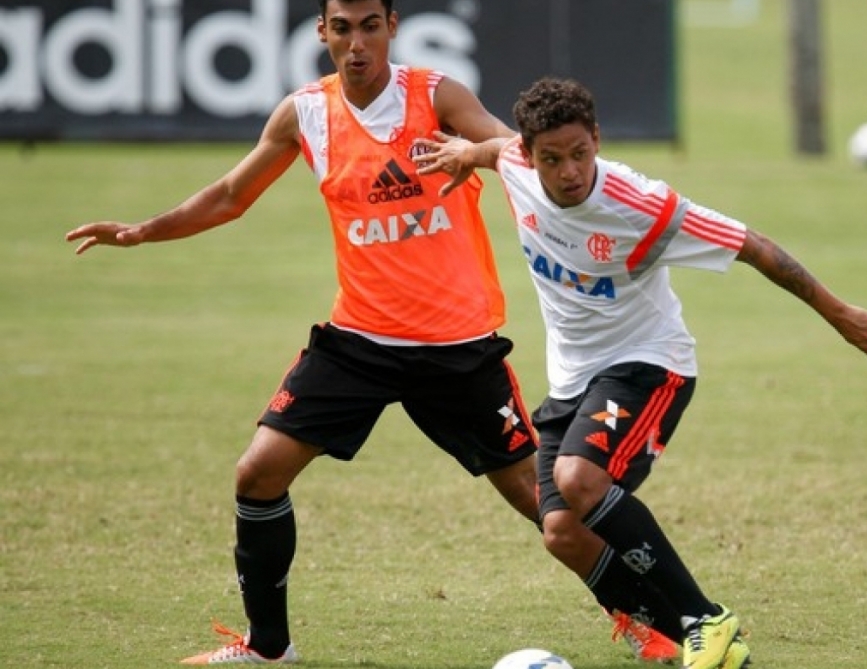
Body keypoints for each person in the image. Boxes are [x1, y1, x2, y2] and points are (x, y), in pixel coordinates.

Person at [65, 1, 676, 664]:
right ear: (322, 32)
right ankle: (268, 646)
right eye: (342, 28)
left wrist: (479, 155)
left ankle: (648, 617)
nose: (356, 43)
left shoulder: (437, 97)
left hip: (456, 348)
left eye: (370, 26)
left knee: (544, 502)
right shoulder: (304, 113)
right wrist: (144, 230)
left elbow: (517, 153)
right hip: (359, 342)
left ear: (392, 27)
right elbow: (232, 195)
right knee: (258, 473)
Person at [414, 77, 867, 669]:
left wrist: (837, 312)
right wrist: (467, 153)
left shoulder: (642, 205)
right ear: (531, 154)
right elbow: (497, 151)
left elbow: (754, 246)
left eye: (579, 153)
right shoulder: (517, 163)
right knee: (562, 533)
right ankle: (708, 645)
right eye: (552, 159)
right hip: (572, 380)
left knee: (578, 479)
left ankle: (706, 619)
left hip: (648, 363)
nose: (569, 171)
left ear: (597, 140)